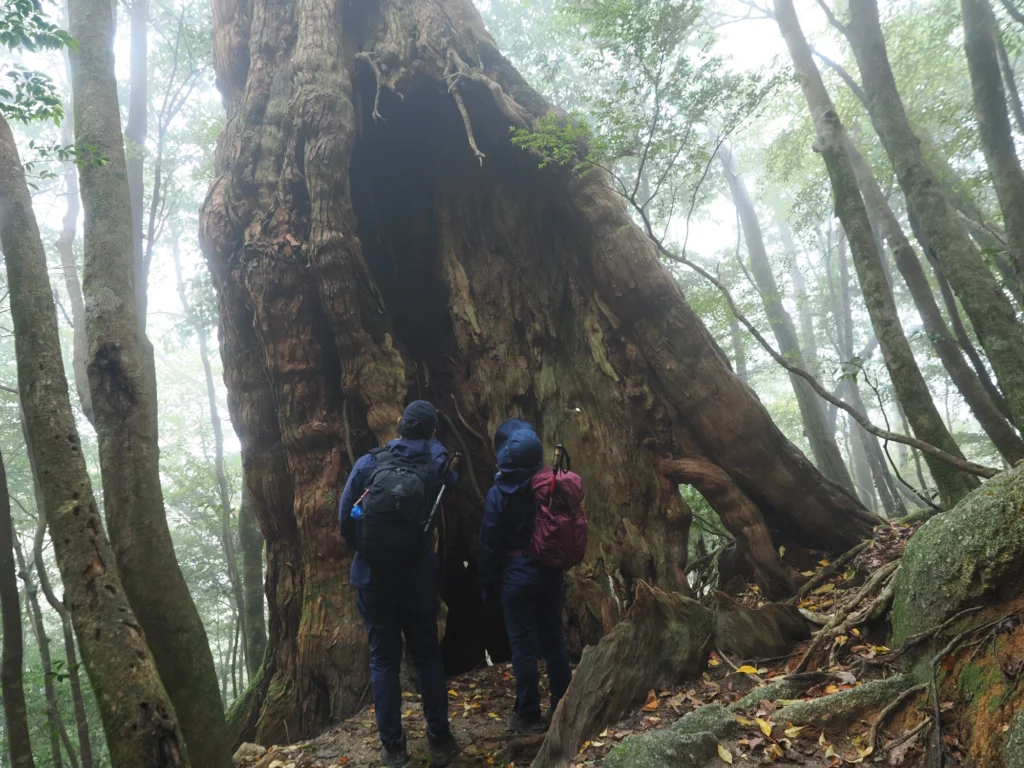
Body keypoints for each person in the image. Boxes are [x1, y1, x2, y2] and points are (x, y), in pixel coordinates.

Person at [338, 400, 460, 768]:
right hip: (417, 577)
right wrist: (432, 442)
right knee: (426, 655)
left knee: (383, 660)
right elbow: (450, 477)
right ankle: (439, 737)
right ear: (432, 431)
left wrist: (368, 551)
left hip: (373, 578)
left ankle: (393, 748)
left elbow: (346, 518)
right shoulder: (437, 463)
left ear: (398, 423)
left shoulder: (369, 462)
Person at [479, 420, 573, 734]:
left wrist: (487, 580)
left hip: (515, 576)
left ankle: (528, 715)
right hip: (550, 572)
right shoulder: (552, 486)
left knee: (523, 647)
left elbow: (489, 541)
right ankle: (564, 705)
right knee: (554, 641)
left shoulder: (498, 494)